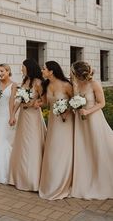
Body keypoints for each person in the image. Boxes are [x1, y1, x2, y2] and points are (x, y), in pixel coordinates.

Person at [70, 61, 113, 199]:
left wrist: (88, 112)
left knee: (96, 147)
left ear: (77, 72)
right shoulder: (76, 84)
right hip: (80, 122)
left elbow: (102, 103)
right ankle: (86, 177)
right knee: (84, 148)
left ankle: (100, 178)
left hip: (93, 120)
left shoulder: (94, 84)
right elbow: (75, 99)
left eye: (72, 72)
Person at [9, 59, 46, 191]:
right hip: (23, 117)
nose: (21, 69)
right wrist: (13, 115)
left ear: (29, 67)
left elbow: (45, 100)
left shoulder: (38, 82)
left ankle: (32, 179)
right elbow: (18, 100)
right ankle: (20, 176)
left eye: (23, 67)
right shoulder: (25, 81)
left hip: (33, 117)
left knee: (31, 144)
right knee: (22, 144)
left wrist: (35, 104)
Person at [39, 61, 73, 200]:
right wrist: (35, 102)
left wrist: (67, 110)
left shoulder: (66, 85)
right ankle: (51, 182)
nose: (42, 71)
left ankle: (62, 183)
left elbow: (76, 101)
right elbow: (46, 103)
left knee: (62, 150)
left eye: (44, 69)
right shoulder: (46, 85)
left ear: (51, 71)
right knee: (52, 149)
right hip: (53, 123)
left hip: (65, 122)